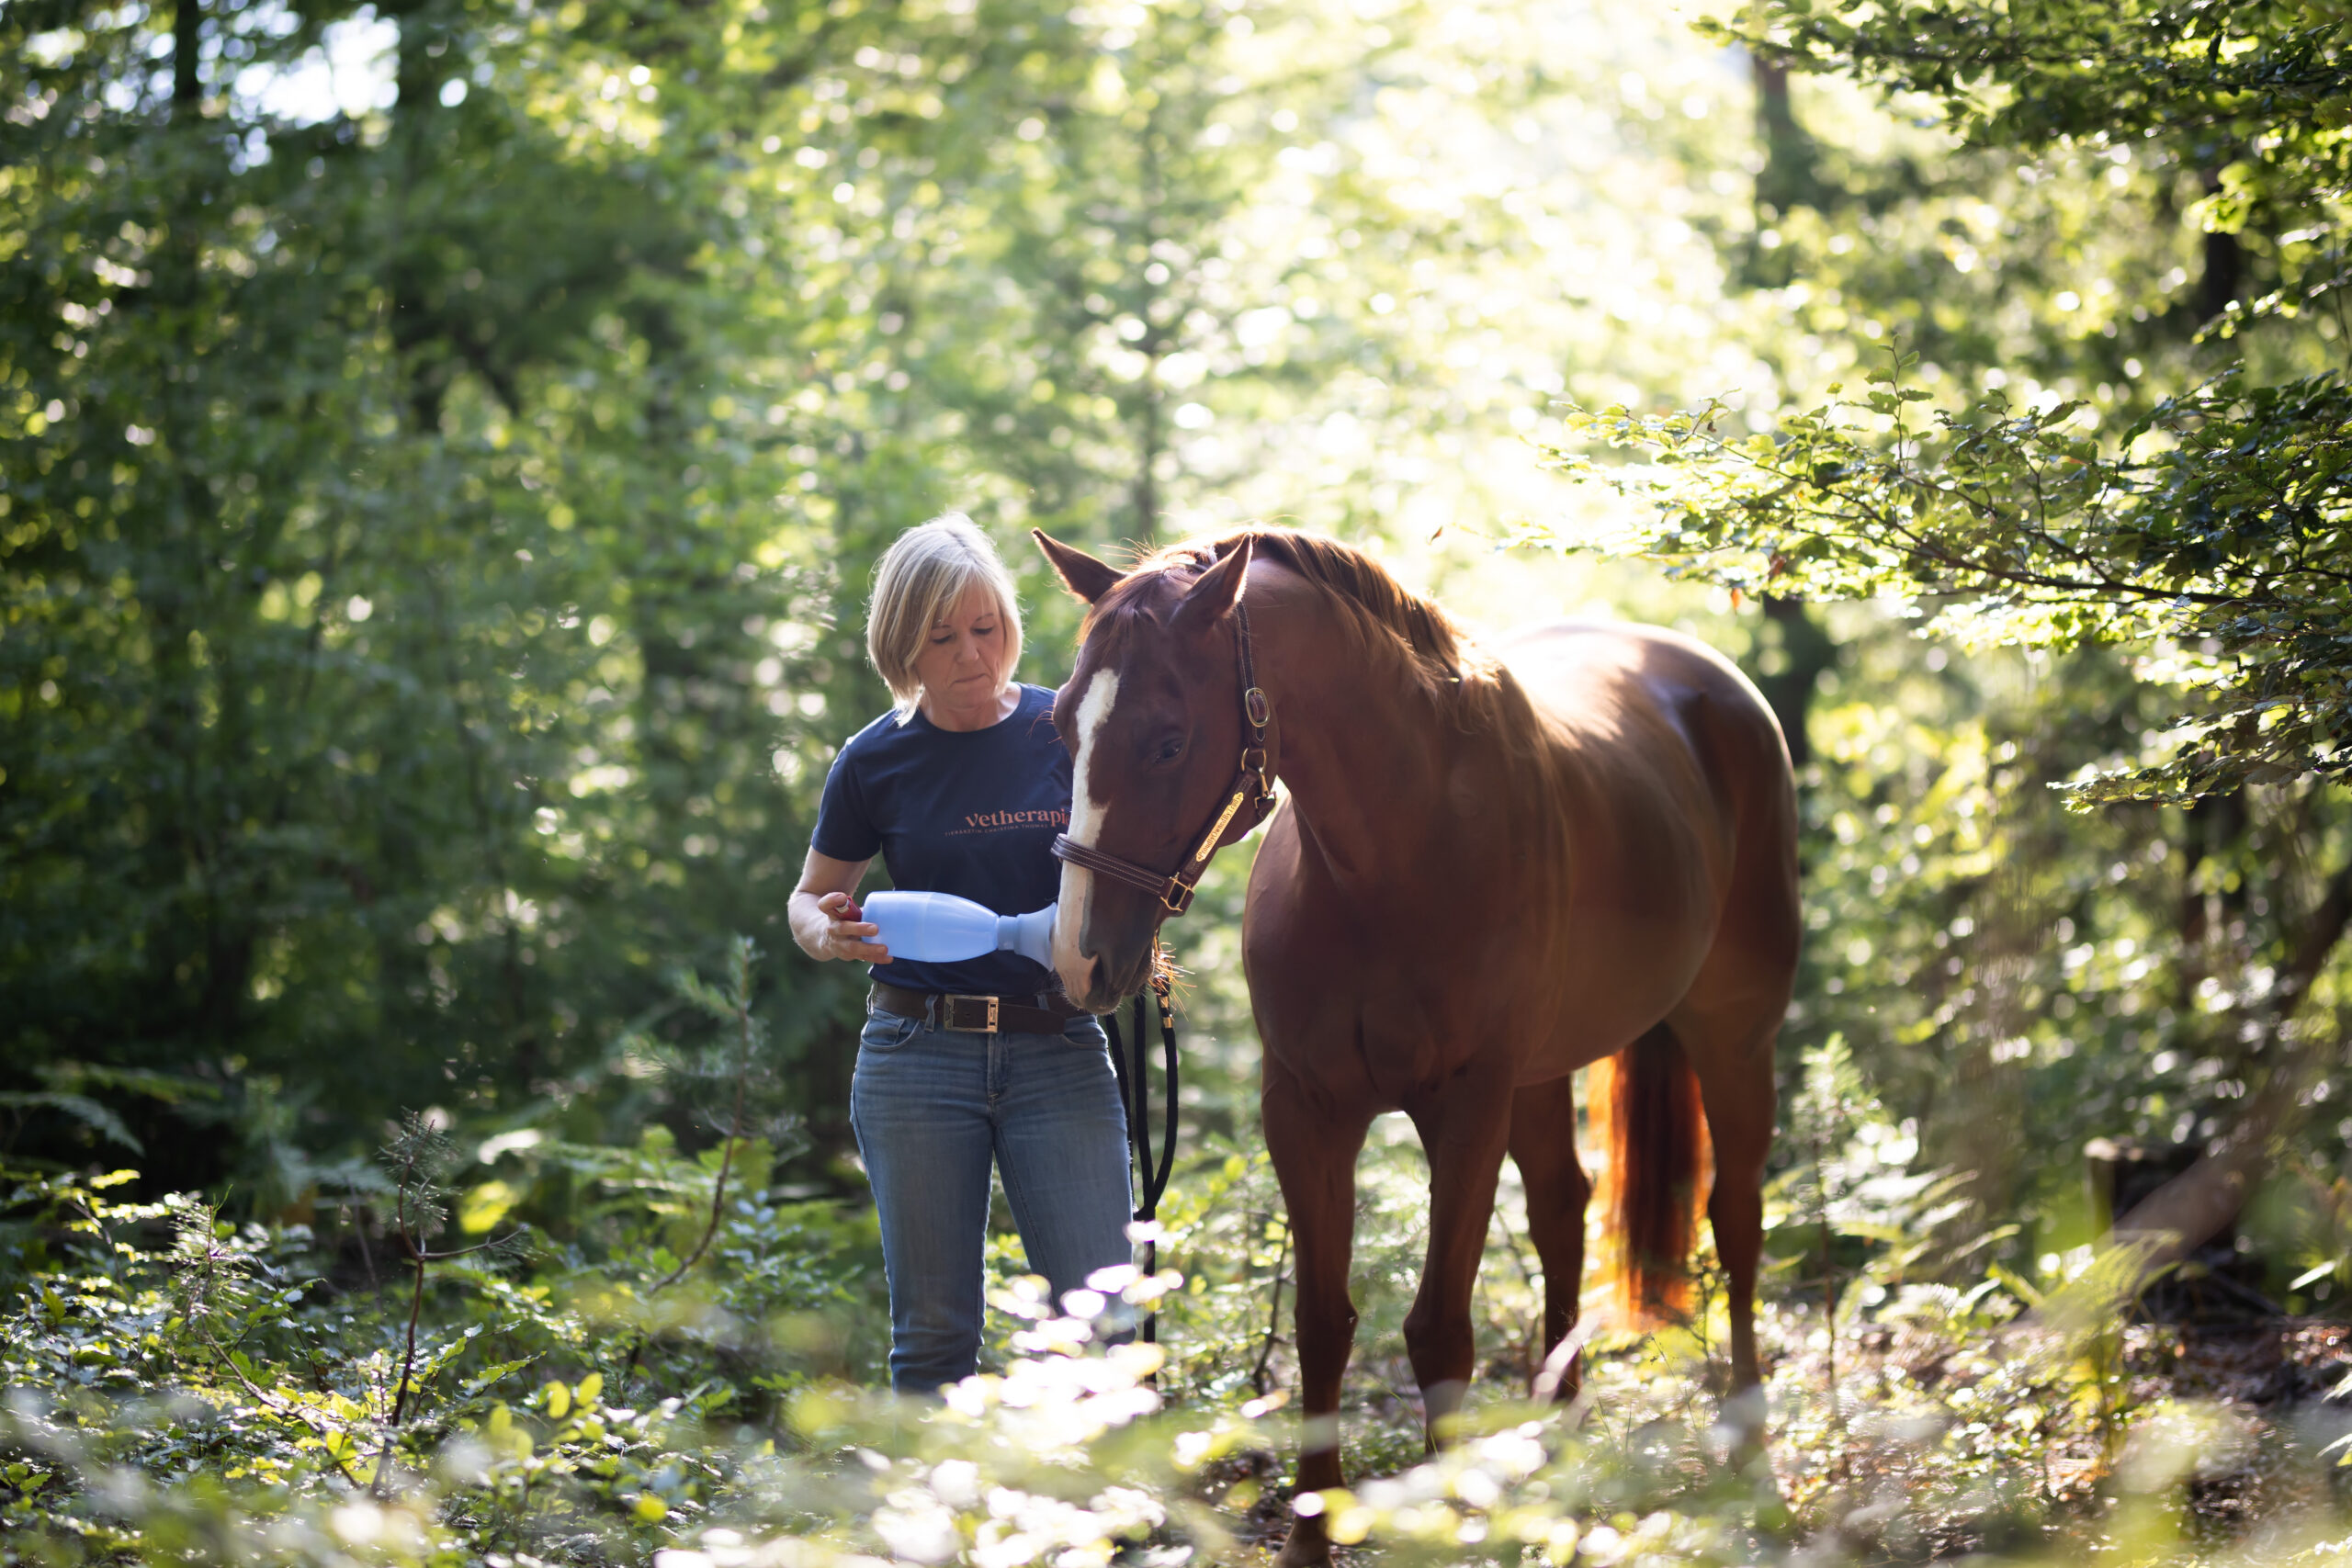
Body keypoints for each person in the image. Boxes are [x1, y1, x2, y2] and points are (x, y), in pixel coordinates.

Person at [788, 513, 1134, 1395]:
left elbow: (1141, 868)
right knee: (934, 1339)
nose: (973, 656)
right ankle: (933, 1536)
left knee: (1103, 1325)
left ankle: (1117, 1533)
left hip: (1057, 1051)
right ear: (901, 644)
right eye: (942, 638)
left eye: (988, 628)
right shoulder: (874, 760)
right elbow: (805, 896)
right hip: (916, 1059)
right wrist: (827, 929)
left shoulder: (1069, 730)